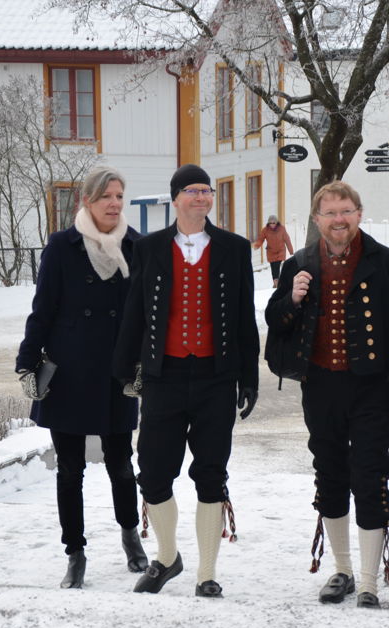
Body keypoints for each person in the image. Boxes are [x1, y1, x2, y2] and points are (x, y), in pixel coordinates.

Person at [264, 180, 389, 609]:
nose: (339, 220)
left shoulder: (383, 263)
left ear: (359, 213)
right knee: (330, 475)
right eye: (330, 213)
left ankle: (369, 580)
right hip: (320, 386)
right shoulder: (299, 262)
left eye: (346, 211)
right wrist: (290, 299)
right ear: (316, 219)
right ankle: (343, 570)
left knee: (370, 476)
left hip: (371, 386)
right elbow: (275, 321)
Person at [112, 163, 259, 598]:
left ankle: (207, 573)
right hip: (165, 376)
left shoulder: (234, 248)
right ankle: (167, 557)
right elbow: (135, 310)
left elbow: (244, 316)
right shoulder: (151, 247)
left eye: (206, 191)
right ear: (175, 199)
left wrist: (248, 377)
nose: (201, 197)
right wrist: (124, 369)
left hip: (216, 376)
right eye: (192, 191)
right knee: (154, 474)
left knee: (211, 474)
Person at [15, 165, 148, 589]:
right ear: (86, 202)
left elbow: (147, 315)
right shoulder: (61, 246)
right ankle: (75, 553)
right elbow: (43, 309)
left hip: (117, 371)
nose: (114, 204)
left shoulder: (136, 246)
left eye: (119, 197)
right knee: (70, 471)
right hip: (69, 371)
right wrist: (27, 360)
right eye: (106, 196)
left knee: (121, 465)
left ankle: (131, 537)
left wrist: (145, 362)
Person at [253, 214, 294, 287]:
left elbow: (287, 239)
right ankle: (275, 282)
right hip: (271, 251)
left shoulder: (282, 229)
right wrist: (257, 245)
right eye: (270, 223)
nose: (272, 224)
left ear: (276, 222)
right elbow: (261, 239)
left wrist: (291, 251)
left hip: (280, 250)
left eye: (273, 223)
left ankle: (277, 283)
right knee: (273, 267)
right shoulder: (265, 230)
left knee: (277, 266)